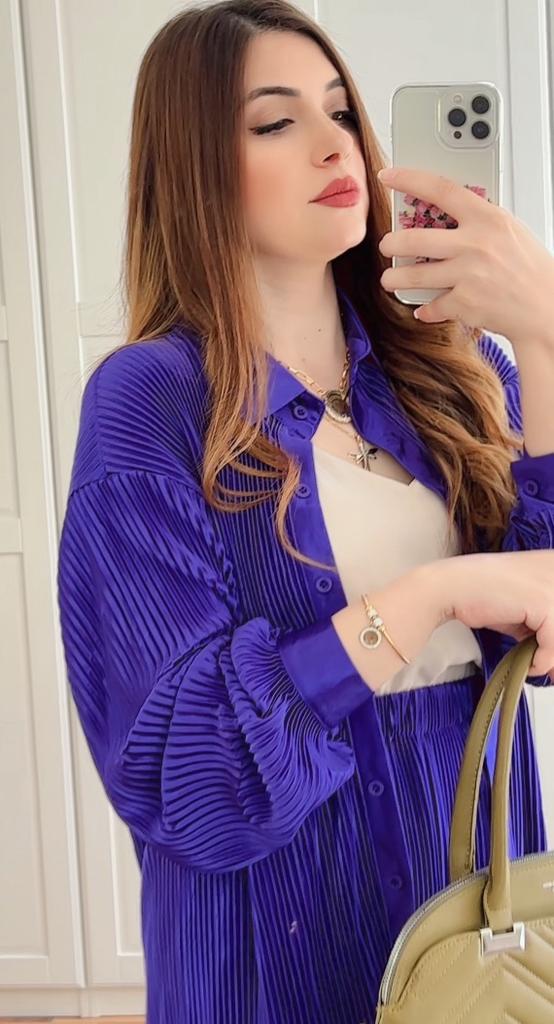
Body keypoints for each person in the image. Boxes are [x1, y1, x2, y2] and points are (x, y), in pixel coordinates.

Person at [56, 3, 554, 1021]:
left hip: (472, 918)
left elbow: (543, 629)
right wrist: (432, 594)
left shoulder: (458, 371)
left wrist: (543, 334)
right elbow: (185, 773)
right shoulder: (151, 403)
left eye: (341, 112)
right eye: (275, 122)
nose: (335, 145)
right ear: (194, 168)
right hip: (275, 948)